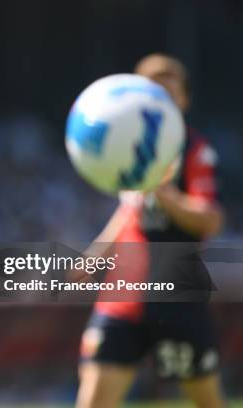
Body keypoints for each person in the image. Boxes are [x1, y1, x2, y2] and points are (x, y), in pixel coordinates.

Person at [75, 54, 225, 408]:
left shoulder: (194, 150)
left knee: (208, 401)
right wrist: (92, 256)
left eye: (170, 91)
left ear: (184, 101)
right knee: (93, 399)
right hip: (123, 295)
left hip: (177, 294)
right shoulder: (129, 148)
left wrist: (161, 188)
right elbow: (129, 210)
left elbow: (210, 219)